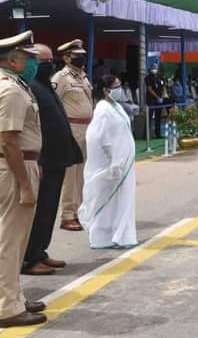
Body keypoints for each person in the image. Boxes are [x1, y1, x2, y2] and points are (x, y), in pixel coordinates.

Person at [0, 31, 48, 328]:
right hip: (12, 168)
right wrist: (26, 185)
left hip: (14, 165)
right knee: (11, 241)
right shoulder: (12, 91)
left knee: (10, 239)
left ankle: (12, 296)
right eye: (29, 58)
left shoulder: (12, 86)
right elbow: (9, 141)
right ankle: (7, 307)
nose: (34, 63)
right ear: (14, 60)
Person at [23, 44, 83, 276]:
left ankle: (40, 252)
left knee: (48, 210)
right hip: (43, 161)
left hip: (56, 159)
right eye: (44, 61)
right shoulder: (30, 87)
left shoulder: (44, 85)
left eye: (51, 61)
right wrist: (38, 161)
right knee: (39, 212)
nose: (49, 65)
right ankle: (29, 258)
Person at [78, 75, 137, 249]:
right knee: (105, 199)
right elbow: (97, 138)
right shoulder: (102, 110)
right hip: (110, 164)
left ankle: (120, 235)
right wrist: (114, 161)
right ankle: (102, 236)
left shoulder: (115, 106)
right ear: (106, 90)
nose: (120, 89)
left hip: (123, 163)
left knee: (122, 200)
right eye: (117, 86)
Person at [53, 39, 93, 232]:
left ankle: (81, 211)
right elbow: (54, 105)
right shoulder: (60, 78)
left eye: (82, 55)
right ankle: (68, 214)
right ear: (67, 57)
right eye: (77, 56)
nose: (81, 58)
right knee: (72, 175)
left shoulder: (83, 77)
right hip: (72, 129)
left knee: (84, 173)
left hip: (87, 129)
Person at [144, 64, 165, 139]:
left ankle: (158, 134)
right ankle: (147, 135)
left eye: (155, 68)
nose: (154, 69)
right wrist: (157, 97)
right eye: (153, 68)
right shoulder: (148, 78)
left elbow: (163, 87)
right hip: (151, 99)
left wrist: (162, 96)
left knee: (158, 117)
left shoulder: (160, 77)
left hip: (159, 100)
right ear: (150, 69)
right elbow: (149, 89)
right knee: (149, 117)